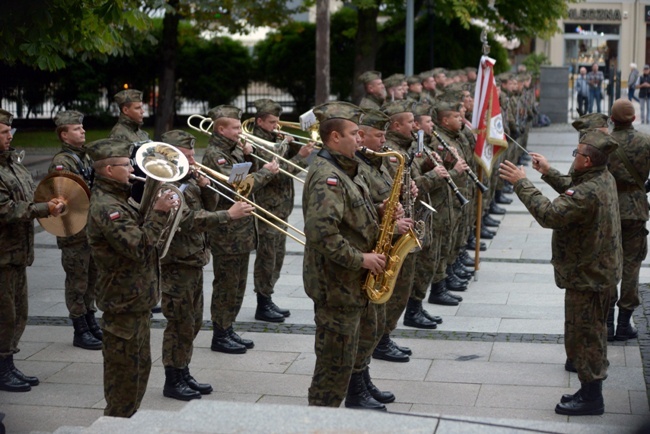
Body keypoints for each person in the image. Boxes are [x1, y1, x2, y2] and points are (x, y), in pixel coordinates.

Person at [499, 129, 622, 416]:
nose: (574, 157)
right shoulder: (602, 177)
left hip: (589, 276)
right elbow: (573, 189)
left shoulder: (589, 190)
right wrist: (548, 171)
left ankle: (592, 397)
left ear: (588, 160)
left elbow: (551, 214)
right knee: (587, 332)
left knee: (587, 336)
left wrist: (522, 184)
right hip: (596, 270)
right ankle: (588, 389)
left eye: (576, 154)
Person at [158, 130, 254, 401]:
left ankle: (183, 370)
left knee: (193, 321)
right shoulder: (166, 184)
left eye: (191, 154)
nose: (192, 159)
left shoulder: (185, 179)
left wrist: (202, 187)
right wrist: (228, 214)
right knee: (179, 322)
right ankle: (172, 379)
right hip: (177, 262)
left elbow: (205, 205)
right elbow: (187, 219)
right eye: (186, 155)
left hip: (193, 259)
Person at [85, 137, 177, 417]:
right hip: (122, 301)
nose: (133, 169)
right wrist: (159, 214)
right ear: (109, 170)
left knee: (139, 370)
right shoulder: (107, 208)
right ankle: (115, 424)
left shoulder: (118, 198)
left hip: (135, 300)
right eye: (127, 165)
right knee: (124, 380)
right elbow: (138, 246)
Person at [302, 101, 385, 408]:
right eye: (354, 133)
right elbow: (322, 233)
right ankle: (320, 422)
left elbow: (348, 216)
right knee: (332, 369)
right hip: (335, 284)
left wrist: (379, 212)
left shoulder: (346, 169)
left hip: (349, 283)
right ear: (334, 137)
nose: (360, 139)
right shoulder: (328, 176)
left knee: (347, 357)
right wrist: (361, 259)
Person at [202, 105, 278, 354]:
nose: (240, 132)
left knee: (238, 284)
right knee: (226, 284)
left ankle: (228, 327)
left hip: (242, 229)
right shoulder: (215, 154)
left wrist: (251, 157)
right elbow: (237, 188)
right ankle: (220, 333)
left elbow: (244, 175)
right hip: (227, 232)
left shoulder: (233, 150)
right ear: (221, 129)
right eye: (235, 128)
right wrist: (266, 173)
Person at [0, 109, 65, 392]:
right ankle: (2, 369)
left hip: (17, 253)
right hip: (3, 255)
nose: (9, 136)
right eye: (3, 132)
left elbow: (27, 195)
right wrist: (44, 208)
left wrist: (49, 200)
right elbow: (6, 209)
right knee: (4, 316)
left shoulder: (13, 164)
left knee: (18, 312)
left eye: (8, 131)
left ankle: (8, 363)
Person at [250, 99, 313, 323]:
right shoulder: (257, 142)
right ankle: (262, 302)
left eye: (278, 122)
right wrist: (300, 156)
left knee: (278, 255)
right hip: (267, 207)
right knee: (267, 256)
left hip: (282, 206)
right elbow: (277, 171)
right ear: (259, 121)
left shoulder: (274, 137)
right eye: (272, 122)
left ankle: (268, 296)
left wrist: (294, 143)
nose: (277, 126)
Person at [48, 110, 101, 351]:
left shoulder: (84, 157)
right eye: (77, 128)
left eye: (82, 127)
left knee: (91, 279)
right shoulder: (63, 161)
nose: (83, 131)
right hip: (74, 233)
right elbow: (67, 196)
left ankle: (90, 320)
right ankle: (80, 328)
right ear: (64, 134)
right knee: (77, 281)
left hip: (88, 230)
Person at [607, 99, 650, 341]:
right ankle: (624, 323)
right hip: (635, 210)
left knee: (608, 264)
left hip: (609, 209)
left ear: (612, 119)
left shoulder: (604, 143)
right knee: (631, 265)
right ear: (634, 118)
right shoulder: (645, 141)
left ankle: (607, 323)